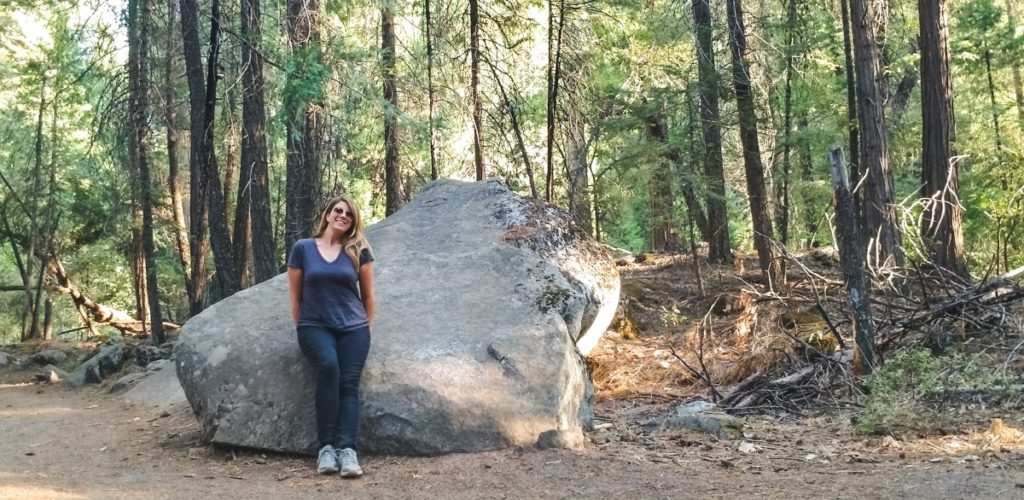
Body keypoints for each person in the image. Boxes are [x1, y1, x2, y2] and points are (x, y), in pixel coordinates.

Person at [288, 195, 376, 477]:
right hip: (315, 326)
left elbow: (368, 296)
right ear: (327, 215)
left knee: (349, 384)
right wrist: (301, 324)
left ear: (353, 221)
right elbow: (295, 295)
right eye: (337, 210)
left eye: (348, 214)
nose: (342, 215)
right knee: (329, 367)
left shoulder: (359, 249)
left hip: (354, 329)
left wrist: (365, 327)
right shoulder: (303, 248)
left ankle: (347, 451)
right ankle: (326, 448)